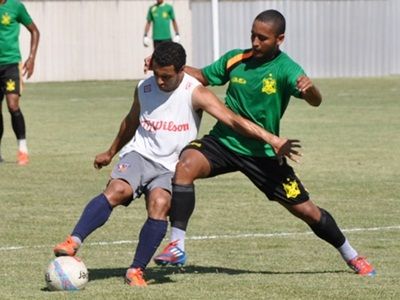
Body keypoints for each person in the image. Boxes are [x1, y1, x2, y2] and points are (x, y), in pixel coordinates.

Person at [53, 42, 300, 287]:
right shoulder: (144, 87)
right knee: (118, 190)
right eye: (156, 75)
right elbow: (130, 121)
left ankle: (136, 270)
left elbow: (233, 120)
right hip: (140, 154)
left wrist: (272, 139)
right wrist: (110, 151)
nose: (160, 81)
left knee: (160, 204)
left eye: (166, 77)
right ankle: (73, 241)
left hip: (171, 166)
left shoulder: (197, 92)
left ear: (182, 70)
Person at [153, 10, 376, 277]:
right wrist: (165, 68)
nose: (255, 42)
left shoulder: (287, 69)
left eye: (263, 38)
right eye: (252, 35)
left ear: (279, 39)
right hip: (224, 141)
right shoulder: (237, 58)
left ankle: (352, 255)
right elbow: (202, 75)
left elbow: (315, 101)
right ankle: (177, 244)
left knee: (308, 211)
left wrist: (311, 89)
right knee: (186, 165)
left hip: (264, 153)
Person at [0, 0, 39, 165]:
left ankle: (22, 149)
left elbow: (35, 31)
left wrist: (31, 58)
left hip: (11, 65)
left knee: (12, 105)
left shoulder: (16, 7)